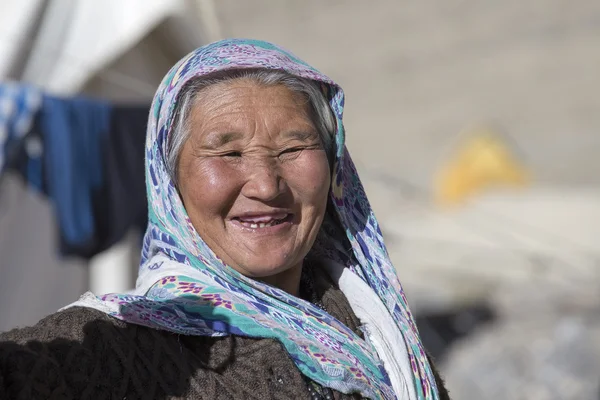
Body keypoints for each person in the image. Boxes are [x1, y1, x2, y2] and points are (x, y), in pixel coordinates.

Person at [0, 39, 450, 400]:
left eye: (293, 149)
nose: (266, 185)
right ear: (167, 181)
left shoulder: (377, 325)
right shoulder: (113, 350)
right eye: (228, 153)